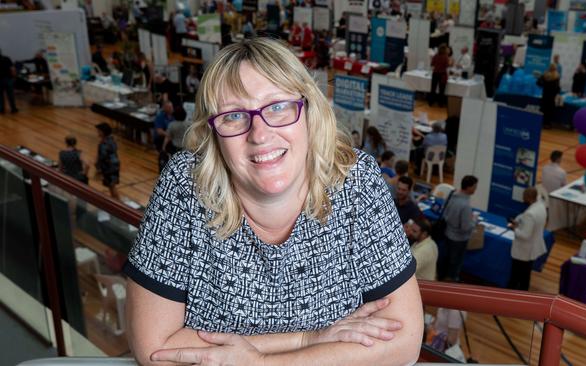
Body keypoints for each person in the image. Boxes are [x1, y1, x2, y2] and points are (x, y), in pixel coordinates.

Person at [124, 38, 422, 366]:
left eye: (278, 107)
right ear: (212, 132)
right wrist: (307, 339)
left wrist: (263, 363)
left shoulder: (357, 181)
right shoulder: (185, 185)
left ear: (308, 110)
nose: (259, 134)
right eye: (234, 116)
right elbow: (155, 349)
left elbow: (405, 340)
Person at [507, 187, 547, 291]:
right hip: (532, 248)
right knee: (526, 275)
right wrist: (520, 222)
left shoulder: (530, 214)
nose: (522, 199)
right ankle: (524, 295)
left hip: (523, 251)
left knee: (515, 277)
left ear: (529, 198)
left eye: (524, 197)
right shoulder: (541, 205)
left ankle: (511, 296)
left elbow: (524, 235)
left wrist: (514, 228)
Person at [441, 175, 478, 282]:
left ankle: (444, 278)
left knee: (447, 260)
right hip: (459, 240)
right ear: (469, 187)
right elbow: (465, 228)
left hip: (448, 234)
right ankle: (452, 282)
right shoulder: (465, 205)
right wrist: (474, 220)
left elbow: (446, 214)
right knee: (455, 264)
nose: (475, 189)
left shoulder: (452, 195)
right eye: (474, 186)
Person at [94, 123, 120, 199]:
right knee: (111, 186)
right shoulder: (112, 139)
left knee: (112, 186)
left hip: (109, 167)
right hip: (114, 165)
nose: (97, 132)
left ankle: (118, 204)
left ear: (102, 132)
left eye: (98, 131)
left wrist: (98, 168)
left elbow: (102, 157)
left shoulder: (104, 143)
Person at [537, 63, 560, 128]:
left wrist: (544, 85)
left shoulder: (545, 74)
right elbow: (557, 88)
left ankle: (542, 122)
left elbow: (538, 83)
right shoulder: (556, 76)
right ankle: (547, 123)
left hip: (545, 94)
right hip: (552, 96)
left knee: (543, 108)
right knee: (549, 110)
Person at [0, 48, 18, 114]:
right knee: (10, 95)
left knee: (0, 96)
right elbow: (12, 69)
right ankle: (13, 108)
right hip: (8, 79)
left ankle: (1, 109)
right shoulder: (6, 58)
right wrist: (14, 77)